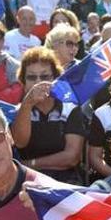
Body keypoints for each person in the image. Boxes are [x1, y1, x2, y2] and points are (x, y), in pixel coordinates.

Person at [10, 47, 85, 185]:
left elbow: (72, 157)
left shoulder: (70, 109)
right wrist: (27, 105)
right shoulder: (18, 111)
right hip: (28, 182)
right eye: (32, 77)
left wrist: (29, 164)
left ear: (55, 78)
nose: (38, 82)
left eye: (45, 76)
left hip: (66, 180)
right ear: (23, 82)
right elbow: (20, 142)